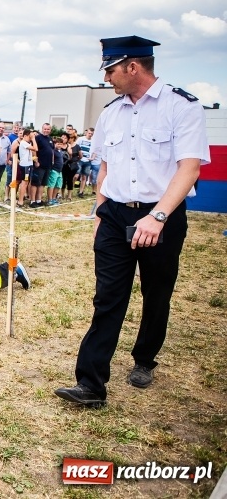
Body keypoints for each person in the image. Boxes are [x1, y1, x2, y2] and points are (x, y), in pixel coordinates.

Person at [55, 35, 210, 409]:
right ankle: (90, 384)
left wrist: (157, 216)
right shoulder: (111, 113)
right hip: (115, 214)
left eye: (110, 69)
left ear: (132, 66)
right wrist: (99, 212)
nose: (107, 76)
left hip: (162, 214)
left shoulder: (181, 107)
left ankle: (144, 359)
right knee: (107, 297)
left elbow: (189, 168)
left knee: (157, 293)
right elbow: (105, 167)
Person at [29, 123, 54, 208]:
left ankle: (39, 200)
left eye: (48, 129)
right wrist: (35, 160)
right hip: (39, 165)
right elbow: (33, 150)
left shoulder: (50, 139)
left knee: (42, 184)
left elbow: (51, 150)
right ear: (42, 129)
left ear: (50, 130)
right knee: (35, 183)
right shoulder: (38, 138)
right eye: (45, 129)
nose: (46, 130)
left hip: (48, 165)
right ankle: (32, 201)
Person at [61, 132, 81, 201]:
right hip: (61, 165)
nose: (63, 139)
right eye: (62, 137)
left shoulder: (69, 146)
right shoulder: (58, 145)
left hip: (69, 165)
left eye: (65, 138)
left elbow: (70, 154)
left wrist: (68, 148)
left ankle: (69, 196)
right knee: (62, 181)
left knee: (70, 180)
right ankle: (62, 194)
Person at [77, 127, 94, 196]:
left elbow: (95, 150)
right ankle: (70, 189)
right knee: (76, 175)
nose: (90, 135)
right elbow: (76, 146)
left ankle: (81, 192)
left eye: (92, 134)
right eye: (89, 133)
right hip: (80, 159)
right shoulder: (81, 139)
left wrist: (92, 157)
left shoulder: (93, 141)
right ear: (87, 132)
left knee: (84, 177)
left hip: (87, 161)